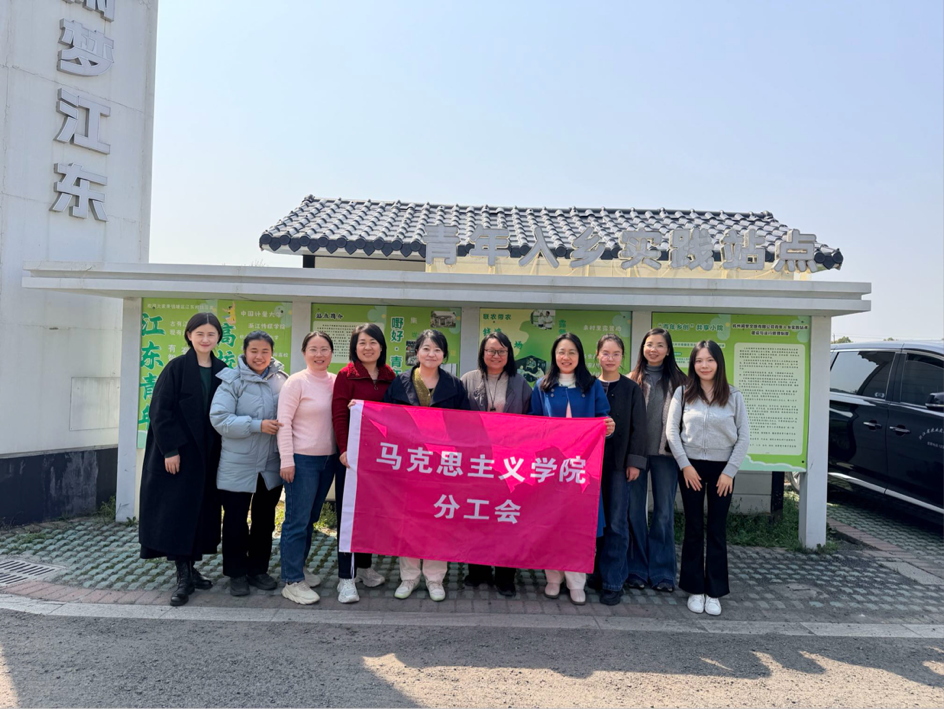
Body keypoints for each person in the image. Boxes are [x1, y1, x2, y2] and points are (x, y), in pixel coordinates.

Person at [139, 312, 227, 607]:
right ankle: (183, 576)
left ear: (218, 338)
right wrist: (170, 450)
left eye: (211, 334)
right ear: (189, 335)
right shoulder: (176, 368)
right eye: (200, 333)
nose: (205, 339)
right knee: (178, 513)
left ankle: (191, 568)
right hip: (180, 455)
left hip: (209, 455)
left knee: (201, 513)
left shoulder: (222, 371)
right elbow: (159, 411)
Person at [383, 329, 470, 601]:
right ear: (416, 352)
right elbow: (386, 419)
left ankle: (435, 578)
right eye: (426, 348)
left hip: (443, 465)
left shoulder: (454, 385)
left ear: (444, 355)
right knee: (408, 520)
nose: (431, 354)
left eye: (437, 349)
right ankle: (408, 577)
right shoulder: (400, 383)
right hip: (409, 463)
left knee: (437, 520)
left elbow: (466, 426)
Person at [529, 333, 615, 605]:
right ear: (554, 355)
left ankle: (577, 581)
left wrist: (608, 426)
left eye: (571, 352)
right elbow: (532, 422)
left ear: (580, 356)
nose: (566, 357)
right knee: (552, 523)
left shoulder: (592, 386)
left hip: (582, 468)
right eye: (561, 352)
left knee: (579, 524)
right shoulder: (542, 386)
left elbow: (602, 418)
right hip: (551, 467)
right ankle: (553, 578)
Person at [666, 340, 750, 617]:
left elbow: (744, 437)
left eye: (709, 360)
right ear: (693, 364)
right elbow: (671, 432)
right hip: (690, 468)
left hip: (722, 471)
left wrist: (729, 471)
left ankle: (714, 591)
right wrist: (685, 465)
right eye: (699, 360)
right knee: (693, 527)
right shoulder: (683, 393)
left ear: (718, 363)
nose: (704, 365)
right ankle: (695, 589)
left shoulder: (734, 396)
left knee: (716, 528)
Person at [210, 331, 288, 597]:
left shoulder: (282, 380)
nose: (259, 356)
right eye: (254, 351)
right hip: (237, 464)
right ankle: (236, 574)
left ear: (272, 353)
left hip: (269, 464)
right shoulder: (231, 381)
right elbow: (220, 419)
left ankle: (258, 570)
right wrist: (257, 425)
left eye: (265, 351)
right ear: (244, 352)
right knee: (235, 521)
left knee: (265, 521)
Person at [460, 332, 533, 597]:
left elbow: (532, 420)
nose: (496, 355)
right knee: (477, 514)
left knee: (507, 517)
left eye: (501, 351)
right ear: (482, 353)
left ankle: (505, 575)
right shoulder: (468, 380)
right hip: (477, 461)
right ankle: (477, 571)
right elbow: (456, 419)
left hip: (511, 462)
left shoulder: (520, 383)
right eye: (490, 350)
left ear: (509, 355)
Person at [331, 323, 396, 604]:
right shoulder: (346, 376)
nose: (367, 347)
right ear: (354, 347)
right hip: (352, 458)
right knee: (348, 516)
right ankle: (345, 577)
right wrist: (344, 450)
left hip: (379, 458)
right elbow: (338, 416)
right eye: (362, 342)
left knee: (371, 514)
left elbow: (397, 417)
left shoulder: (390, 376)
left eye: (373, 342)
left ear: (381, 347)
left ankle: (364, 567)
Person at [277, 331, 342, 605]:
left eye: (324, 349)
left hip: (328, 460)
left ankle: (299, 568)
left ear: (332, 353)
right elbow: (283, 423)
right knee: (296, 520)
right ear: (304, 352)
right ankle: (291, 581)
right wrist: (287, 460)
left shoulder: (336, 382)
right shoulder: (295, 382)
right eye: (313, 349)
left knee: (310, 518)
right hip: (302, 460)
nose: (319, 354)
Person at [627, 328, 687, 593]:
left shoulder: (682, 382)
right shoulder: (631, 379)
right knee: (634, 511)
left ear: (668, 350)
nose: (654, 349)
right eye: (649, 344)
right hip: (636, 455)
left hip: (667, 456)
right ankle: (636, 569)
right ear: (643, 348)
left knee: (663, 513)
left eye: (660, 345)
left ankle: (663, 572)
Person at [591, 334, 647, 606]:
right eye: (606, 353)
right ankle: (595, 575)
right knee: (593, 522)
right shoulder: (589, 386)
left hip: (618, 465)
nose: (610, 358)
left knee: (616, 522)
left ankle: (613, 581)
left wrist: (634, 462)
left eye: (616, 354)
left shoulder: (631, 388)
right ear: (597, 355)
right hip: (589, 466)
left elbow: (640, 428)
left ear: (622, 357)